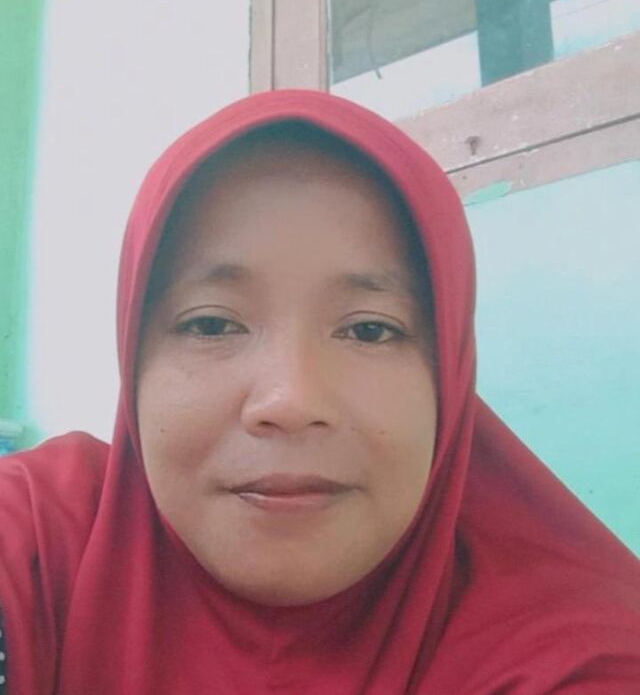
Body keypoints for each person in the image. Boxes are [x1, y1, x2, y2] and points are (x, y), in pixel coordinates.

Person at [0, 89, 639, 693]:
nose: (290, 401)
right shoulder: (42, 540)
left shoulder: (575, 655)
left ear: (448, 373)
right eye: (212, 324)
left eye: (369, 330)